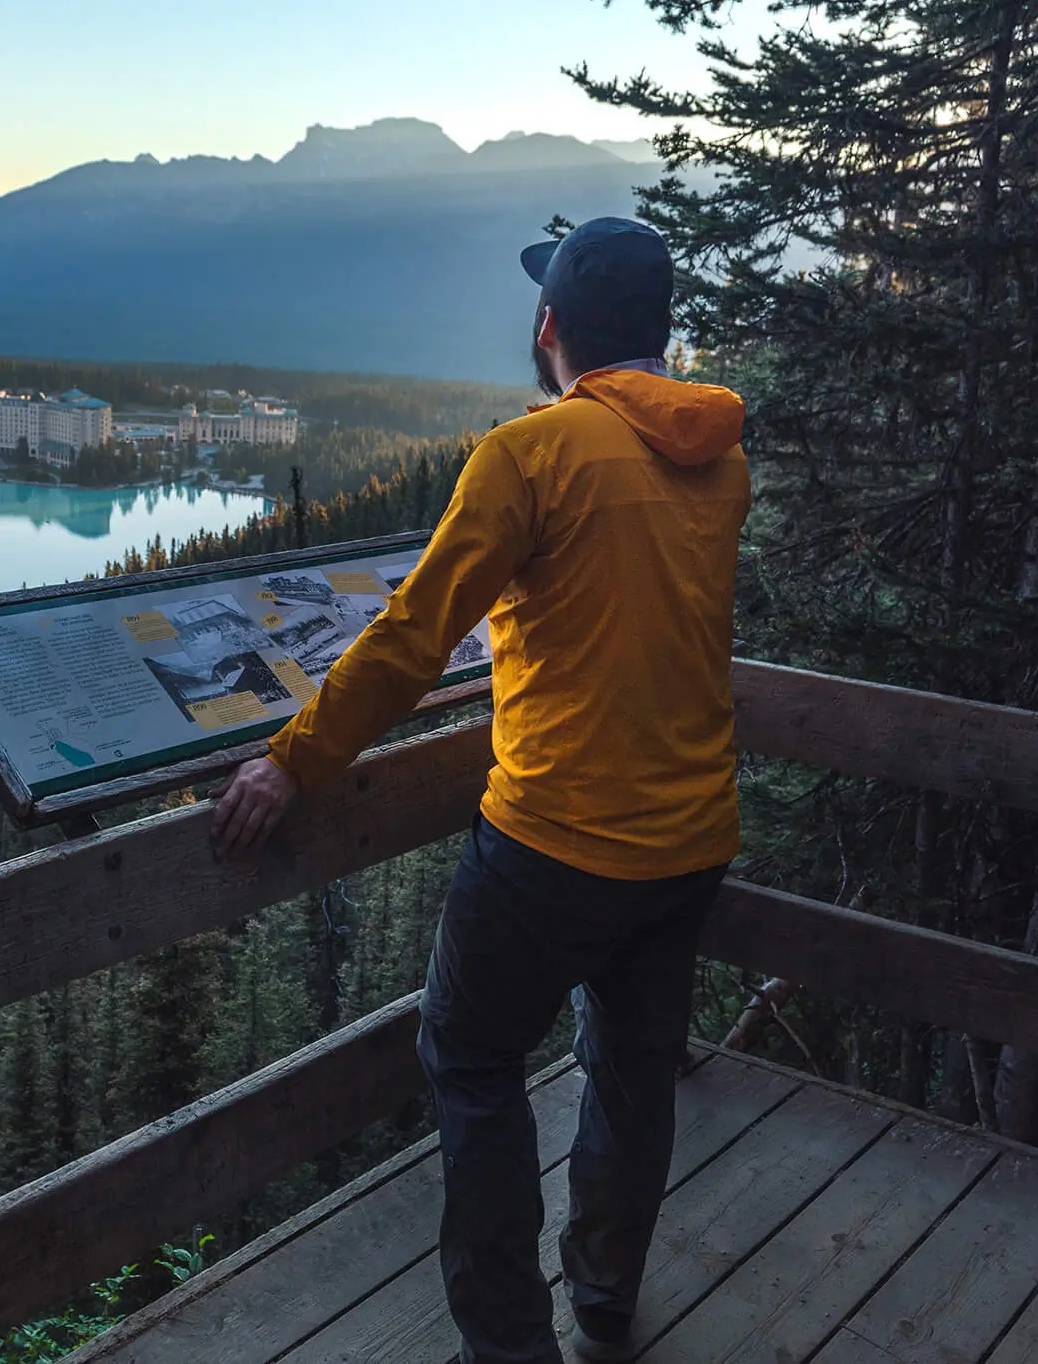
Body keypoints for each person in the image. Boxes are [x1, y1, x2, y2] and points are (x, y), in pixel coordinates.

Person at [210, 216, 750, 1364]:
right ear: (661, 333)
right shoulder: (718, 451)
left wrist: (289, 757)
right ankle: (603, 1293)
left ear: (549, 326)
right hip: (692, 833)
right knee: (632, 1063)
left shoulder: (532, 454)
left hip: (556, 836)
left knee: (468, 1051)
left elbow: (411, 638)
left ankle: (508, 1343)